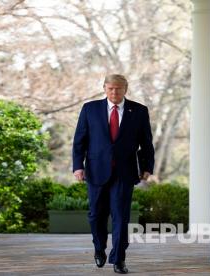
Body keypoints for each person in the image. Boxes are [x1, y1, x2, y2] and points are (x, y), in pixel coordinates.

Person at [72, 74, 155, 274]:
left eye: (118, 89)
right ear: (104, 88)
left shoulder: (139, 111)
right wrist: (78, 166)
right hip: (95, 170)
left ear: (125, 89)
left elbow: (146, 143)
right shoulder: (89, 109)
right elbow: (79, 141)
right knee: (96, 215)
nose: (114, 92)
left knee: (121, 217)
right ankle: (99, 249)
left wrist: (146, 167)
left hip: (124, 172)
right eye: (110, 88)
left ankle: (119, 259)